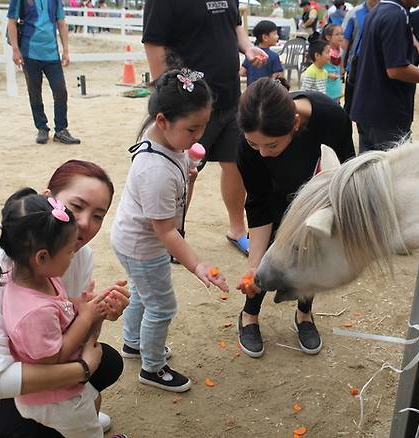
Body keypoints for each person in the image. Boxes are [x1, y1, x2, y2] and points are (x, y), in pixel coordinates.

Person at [0, 160, 130, 437]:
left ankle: (72, 412)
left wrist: (97, 313)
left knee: (108, 361)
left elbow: (74, 331)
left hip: (42, 364)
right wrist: (83, 369)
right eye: (76, 207)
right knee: (91, 374)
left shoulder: (78, 256)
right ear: (48, 200)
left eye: (98, 215)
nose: (85, 223)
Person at [111, 69, 230, 392]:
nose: (200, 135)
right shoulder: (155, 170)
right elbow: (168, 232)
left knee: (142, 292)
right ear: (162, 121)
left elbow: (176, 211)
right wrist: (198, 266)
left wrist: (189, 175)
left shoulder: (167, 142)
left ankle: (133, 342)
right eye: (193, 128)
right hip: (143, 247)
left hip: (132, 238)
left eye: (204, 125)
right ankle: (152, 366)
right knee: (162, 305)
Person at [235, 77, 355, 358]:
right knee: (268, 258)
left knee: (313, 252)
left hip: (318, 195)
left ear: (295, 124)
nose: (263, 153)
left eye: (272, 146)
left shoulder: (332, 119)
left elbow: (347, 168)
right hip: (275, 199)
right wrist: (254, 266)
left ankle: (304, 313)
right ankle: (249, 315)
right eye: (255, 144)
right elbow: (258, 203)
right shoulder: (248, 144)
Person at [142, 0, 268, 258]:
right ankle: (173, 235)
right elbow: (153, 43)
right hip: (191, 104)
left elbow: (235, 25)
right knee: (183, 170)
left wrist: (247, 48)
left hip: (230, 95)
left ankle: (236, 229)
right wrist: (168, 97)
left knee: (235, 164)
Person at [0, 189, 106, 437]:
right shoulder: (33, 312)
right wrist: (87, 317)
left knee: (93, 400)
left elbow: (61, 301)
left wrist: (81, 303)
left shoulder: (39, 278)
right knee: (86, 430)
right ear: (42, 257)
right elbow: (53, 357)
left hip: (62, 389)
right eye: (69, 251)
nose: (73, 255)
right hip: (55, 397)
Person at [349, 0, 419, 152]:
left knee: (369, 170)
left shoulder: (378, 10)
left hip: (369, 107)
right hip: (387, 111)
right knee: (393, 170)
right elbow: (396, 69)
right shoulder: (395, 16)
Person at [7, 0, 81, 145]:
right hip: (30, 52)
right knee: (35, 92)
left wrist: (65, 50)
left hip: (52, 54)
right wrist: (15, 49)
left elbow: (61, 23)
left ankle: (61, 129)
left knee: (60, 91)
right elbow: (12, 22)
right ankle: (42, 127)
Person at [340, 0, 379, 113]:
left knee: (370, 103)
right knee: (350, 104)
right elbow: (345, 40)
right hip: (356, 63)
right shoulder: (354, 13)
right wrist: (341, 64)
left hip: (376, 64)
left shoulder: (385, 12)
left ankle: (364, 130)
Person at [239, 20, 284, 86]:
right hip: (266, 91)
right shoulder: (274, 56)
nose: (277, 36)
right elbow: (278, 76)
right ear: (265, 37)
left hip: (251, 91)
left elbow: (242, 72)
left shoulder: (251, 55)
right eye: (275, 34)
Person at [322, 23, 344, 102]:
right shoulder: (324, 52)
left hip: (336, 91)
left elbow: (341, 69)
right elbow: (317, 69)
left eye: (342, 34)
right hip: (325, 91)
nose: (341, 37)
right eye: (337, 34)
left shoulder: (340, 51)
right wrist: (327, 75)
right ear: (328, 37)